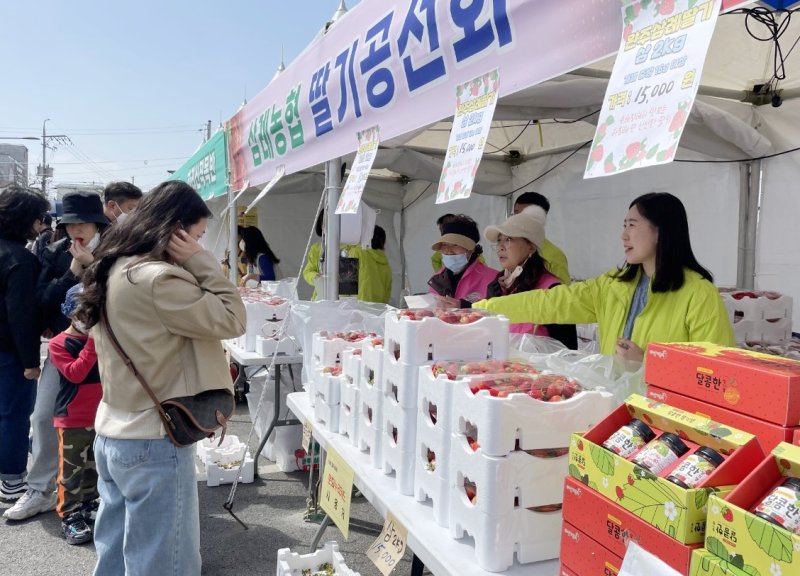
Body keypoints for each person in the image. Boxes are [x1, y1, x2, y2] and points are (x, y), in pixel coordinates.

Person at [76, 180, 245, 575]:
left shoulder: (114, 266)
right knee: (165, 562)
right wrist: (203, 261)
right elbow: (233, 318)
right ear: (177, 232)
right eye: (198, 235)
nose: (200, 243)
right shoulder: (158, 279)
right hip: (153, 439)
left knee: (116, 556)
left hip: (113, 430)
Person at [474, 192, 735, 361]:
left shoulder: (699, 295)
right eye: (624, 226)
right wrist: (479, 310)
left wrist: (647, 362)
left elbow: (716, 371)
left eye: (632, 225)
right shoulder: (613, 285)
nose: (624, 235)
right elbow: (549, 302)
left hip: (666, 428)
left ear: (661, 231)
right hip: (616, 415)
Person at [5, 191, 109, 521]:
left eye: (82, 222)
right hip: (67, 349)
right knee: (43, 415)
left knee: (108, 419)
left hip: (114, 349)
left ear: (97, 223)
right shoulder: (52, 252)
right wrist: (75, 270)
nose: (75, 229)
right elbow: (41, 303)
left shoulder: (118, 250)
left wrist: (97, 270)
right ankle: (39, 488)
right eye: (69, 223)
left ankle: (104, 490)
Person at [0, 186, 49, 502]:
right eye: (38, 218)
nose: (42, 225)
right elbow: (20, 316)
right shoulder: (20, 259)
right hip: (9, 352)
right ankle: (11, 480)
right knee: (14, 416)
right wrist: (32, 361)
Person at [48, 284, 101, 545]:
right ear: (70, 314)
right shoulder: (59, 343)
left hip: (100, 416)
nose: (87, 320)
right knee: (71, 471)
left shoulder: (100, 338)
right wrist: (92, 342)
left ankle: (90, 504)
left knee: (94, 467)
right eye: (82, 313)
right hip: (72, 418)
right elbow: (76, 373)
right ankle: (69, 514)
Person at [483, 208, 577, 349]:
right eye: (498, 240)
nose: (500, 248)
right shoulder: (497, 287)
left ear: (531, 247)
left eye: (508, 239)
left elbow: (568, 350)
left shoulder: (552, 290)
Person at [428, 214, 497, 304]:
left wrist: (464, 306)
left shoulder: (493, 278)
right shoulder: (436, 279)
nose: (448, 250)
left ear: (471, 249)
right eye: (444, 244)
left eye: (455, 245)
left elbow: (498, 312)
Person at [513, 192, 571, 285]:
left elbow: (563, 294)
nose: (516, 220)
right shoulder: (509, 248)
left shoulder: (555, 257)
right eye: (515, 214)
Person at [303, 209, 361, 300]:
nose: (328, 227)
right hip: (320, 299)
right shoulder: (316, 249)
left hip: (344, 303)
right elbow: (307, 271)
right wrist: (317, 277)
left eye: (334, 222)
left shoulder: (353, 248)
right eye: (325, 223)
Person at [359, 225, 392, 304]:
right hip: (379, 311)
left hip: (359, 309)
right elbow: (387, 292)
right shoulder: (386, 264)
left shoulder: (359, 253)